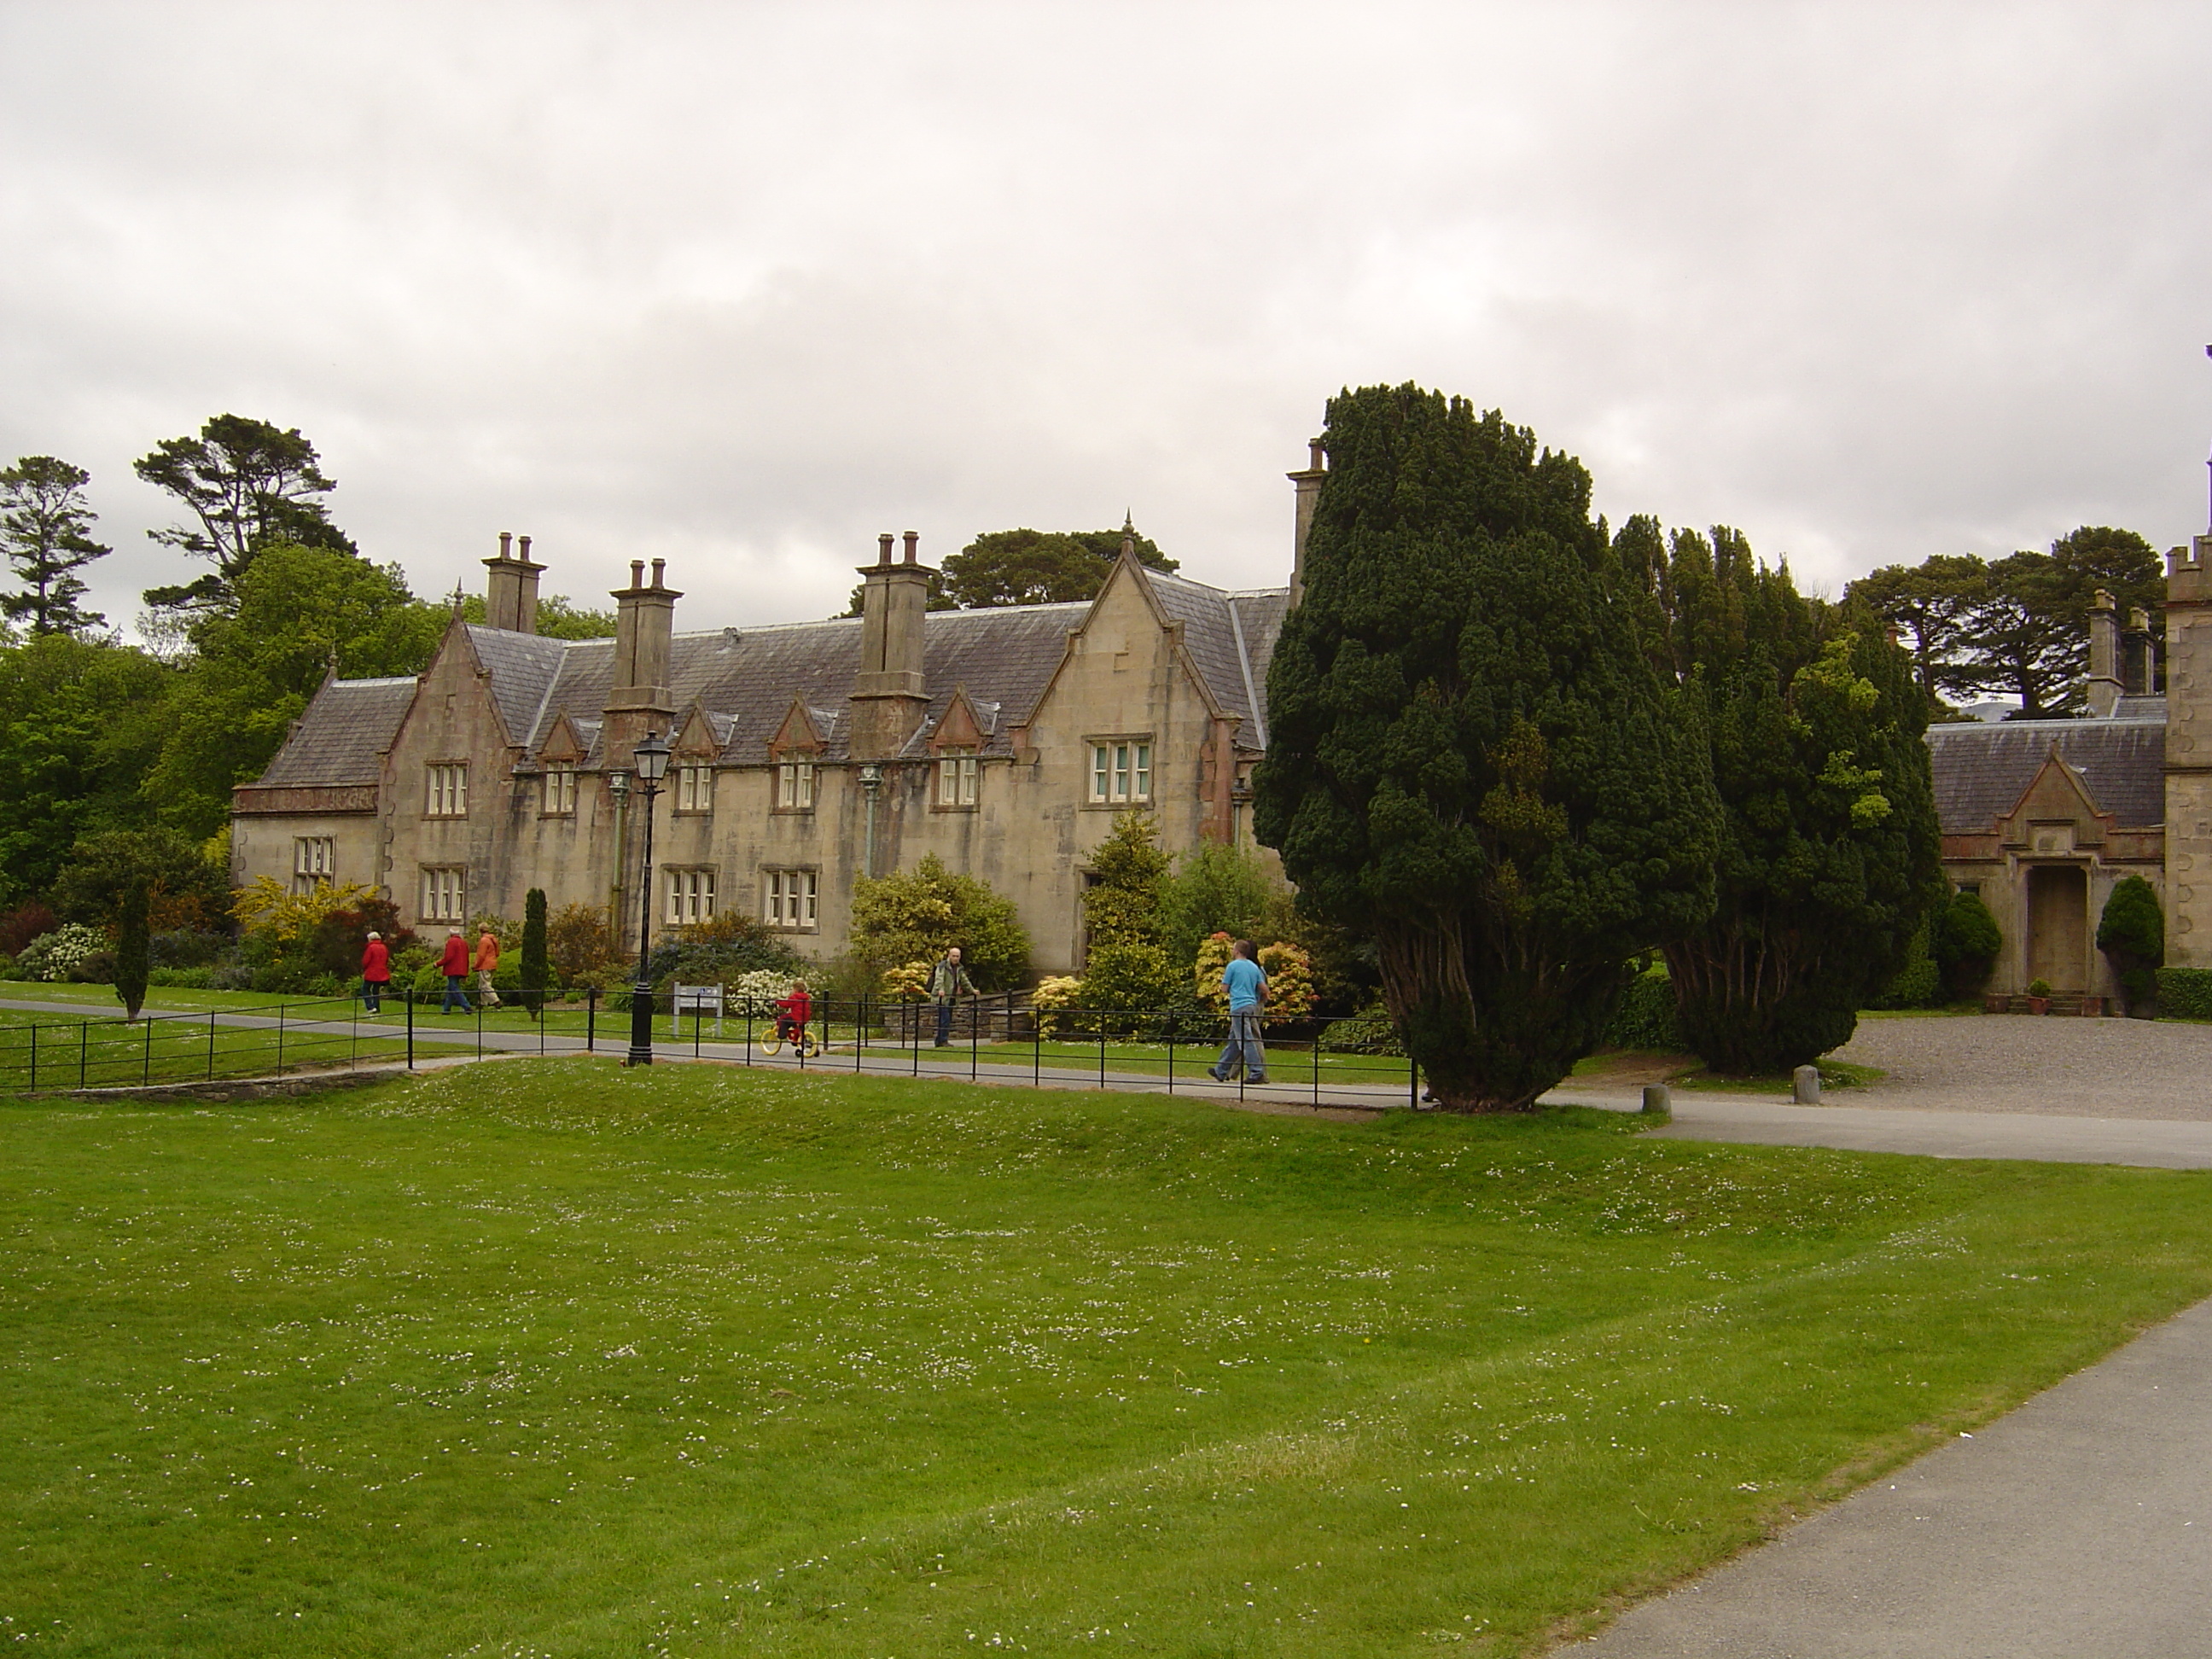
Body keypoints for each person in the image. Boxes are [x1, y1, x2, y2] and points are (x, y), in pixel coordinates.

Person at [1208, 939, 1269, 1085]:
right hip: (1251, 1006)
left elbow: (1224, 988)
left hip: (1238, 1005)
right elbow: (1264, 988)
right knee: (1235, 1040)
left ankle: (1256, 1071)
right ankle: (1221, 1070)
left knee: (1245, 1040)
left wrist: (1232, 987)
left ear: (1236, 951)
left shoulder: (1232, 966)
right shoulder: (1254, 968)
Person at [929, 946, 977, 1046]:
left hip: (952, 997)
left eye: (957, 956)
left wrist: (972, 990)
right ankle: (943, 1041)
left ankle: (940, 1041)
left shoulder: (959, 968)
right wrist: (940, 989)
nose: (956, 958)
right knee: (945, 1019)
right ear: (949, 956)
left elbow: (964, 980)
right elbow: (939, 979)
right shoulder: (943, 966)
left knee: (947, 1019)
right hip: (942, 997)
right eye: (954, 956)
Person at [439, 927, 473, 1013]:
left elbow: (448, 957)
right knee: (451, 989)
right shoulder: (464, 943)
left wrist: (438, 964)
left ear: (451, 934)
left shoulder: (451, 942)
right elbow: (466, 958)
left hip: (453, 969)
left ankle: (466, 1006)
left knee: (454, 988)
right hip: (462, 969)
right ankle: (446, 1009)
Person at [774, 979, 812, 1045]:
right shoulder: (806, 997)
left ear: (795, 990)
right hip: (805, 1018)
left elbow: (786, 1004)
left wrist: (777, 1002)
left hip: (796, 1017)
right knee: (798, 1028)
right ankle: (796, 1039)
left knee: (782, 1019)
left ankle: (782, 1035)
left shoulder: (794, 997)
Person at [361, 929, 390, 1014]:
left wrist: (364, 968)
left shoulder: (371, 947)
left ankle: (370, 1006)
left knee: (365, 989)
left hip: (372, 971)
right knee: (376, 990)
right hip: (382, 971)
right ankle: (377, 1007)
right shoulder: (383, 947)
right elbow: (386, 959)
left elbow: (366, 960)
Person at [474, 925, 503, 1010]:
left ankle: (496, 1001)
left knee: (485, 985)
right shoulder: (493, 939)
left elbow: (481, 955)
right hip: (493, 963)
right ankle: (482, 1003)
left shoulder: (484, 940)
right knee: (482, 984)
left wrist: (476, 965)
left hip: (485, 965)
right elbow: (497, 952)